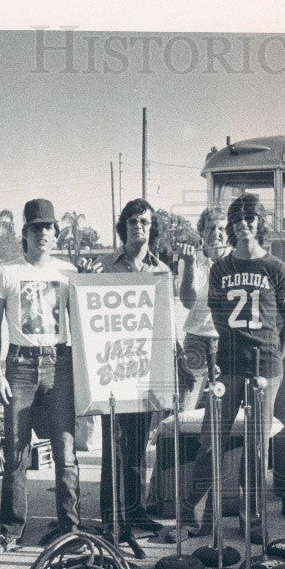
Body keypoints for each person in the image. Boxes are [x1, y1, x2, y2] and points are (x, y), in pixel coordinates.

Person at [171, 194, 285, 540]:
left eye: (250, 218)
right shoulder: (221, 269)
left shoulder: (277, 267)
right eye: (238, 219)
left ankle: (251, 518)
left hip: (265, 369)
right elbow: (215, 315)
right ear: (232, 226)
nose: (244, 224)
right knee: (210, 442)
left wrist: (275, 360)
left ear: (260, 223)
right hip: (228, 367)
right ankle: (190, 518)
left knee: (256, 448)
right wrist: (228, 352)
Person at [0, 198, 83, 554]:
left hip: (60, 362)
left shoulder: (68, 273)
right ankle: (10, 531)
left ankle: (71, 530)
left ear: (56, 233)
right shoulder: (6, 272)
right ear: (24, 233)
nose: (43, 233)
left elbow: (86, 324)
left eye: (48, 228)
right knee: (16, 452)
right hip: (20, 365)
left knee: (66, 453)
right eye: (35, 227)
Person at [95, 198, 170, 536]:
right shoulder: (104, 267)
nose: (139, 226)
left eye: (145, 222)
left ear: (152, 229)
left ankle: (135, 511)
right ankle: (112, 515)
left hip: (144, 366)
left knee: (140, 443)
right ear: (123, 227)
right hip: (111, 366)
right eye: (132, 221)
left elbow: (165, 322)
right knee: (114, 445)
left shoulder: (161, 271)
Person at [176, 206, 231, 410]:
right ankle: (183, 442)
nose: (216, 233)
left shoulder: (237, 260)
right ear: (201, 231)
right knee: (186, 406)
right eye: (210, 228)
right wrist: (190, 264)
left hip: (228, 339)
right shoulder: (190, 258)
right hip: (196, 338)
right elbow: (187, 301)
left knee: (225, 406)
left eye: (222, 229)